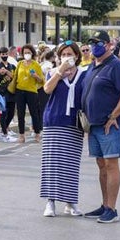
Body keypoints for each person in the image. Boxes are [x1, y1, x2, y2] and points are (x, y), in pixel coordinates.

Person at [80, 31, 120, 224]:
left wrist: (114, 115)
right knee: (101, 165)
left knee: (111, 165)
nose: (95, 46)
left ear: (108, 45)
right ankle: (104, 205)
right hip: (94, 125)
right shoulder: (93, 66)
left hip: (108, 125)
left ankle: (112, 209)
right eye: (92, 43)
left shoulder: (115, 66)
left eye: (98, 43)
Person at [39, 42, 86, 217]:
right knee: (52, 163)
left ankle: (70, 201)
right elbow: (47, 89)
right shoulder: (52, 72)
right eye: (64, 54)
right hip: (53, 121)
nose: (67, 57)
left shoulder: (84, 74)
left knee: (70, 164)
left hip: (74, 123)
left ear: (77, 56)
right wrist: (60, 72)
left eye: (70, 54)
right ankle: (50, 202)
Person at [11, 43, 44, 143]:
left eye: (29, 52)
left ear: (32, 53)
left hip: (31, 91)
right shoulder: (20, 63)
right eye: (25, 53)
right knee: (20, 114)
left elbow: (41, 80)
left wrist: (35, 76)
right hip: (19, 90)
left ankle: (37, 133)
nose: (27, 54)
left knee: (34, 113)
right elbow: (15, 76)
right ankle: (21, 135)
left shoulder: (36, 64)